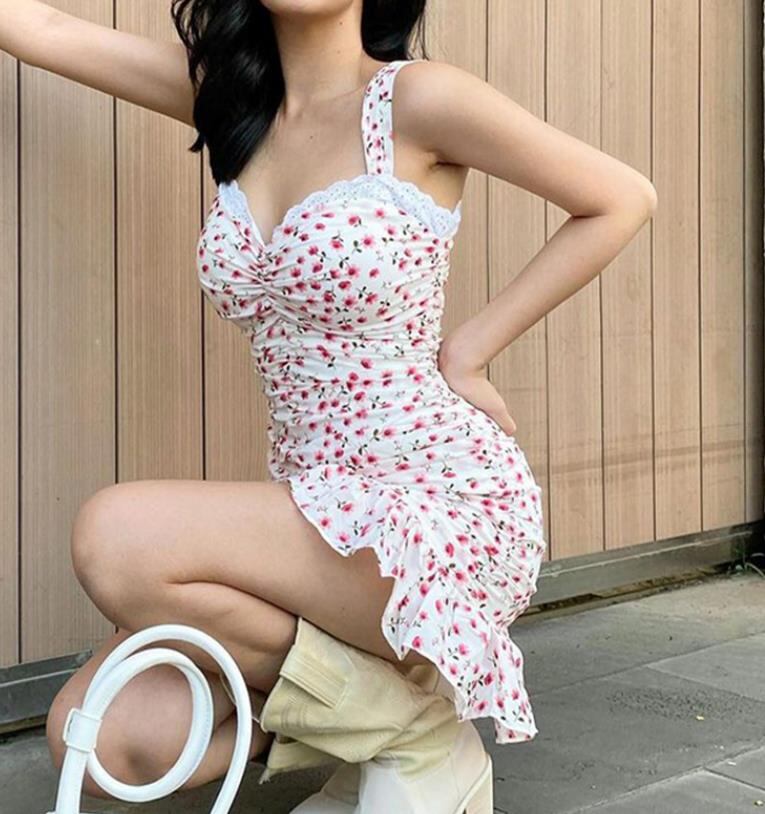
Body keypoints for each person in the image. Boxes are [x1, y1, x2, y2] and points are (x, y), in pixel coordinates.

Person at [0, 1, 657, 811]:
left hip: (429, 507)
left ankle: (406, 732)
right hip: (312, 515)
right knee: (101, 742)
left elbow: (619, 197)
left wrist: (469, 348)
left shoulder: (417, 99)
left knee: (115, 535)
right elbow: (44, 32)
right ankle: (395, 722)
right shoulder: (230, 100)